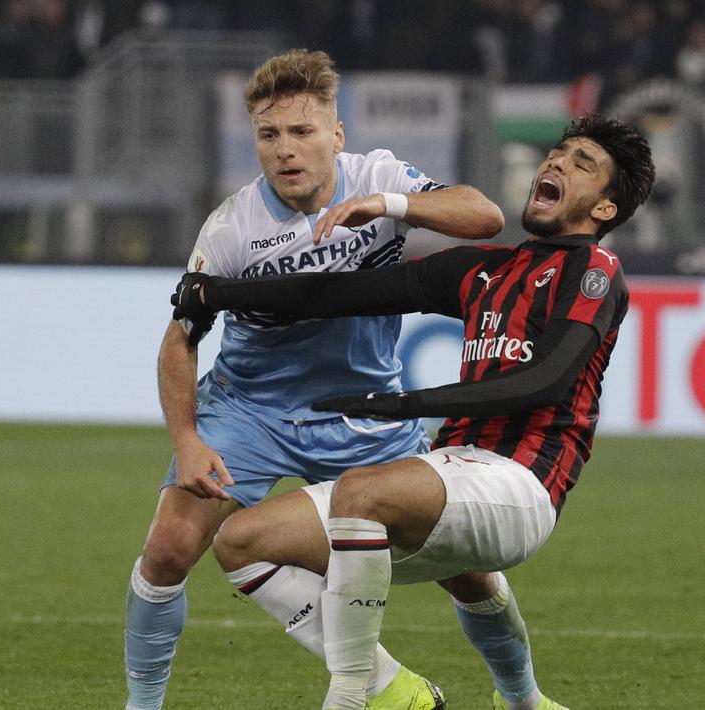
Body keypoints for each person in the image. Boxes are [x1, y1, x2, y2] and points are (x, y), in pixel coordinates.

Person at [171, 113, 654, 710]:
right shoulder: (484, 270)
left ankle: (350, 699)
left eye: (583, 163)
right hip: (457, 470)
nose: (556, 162)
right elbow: (338, 293)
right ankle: (441, 694)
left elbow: (543, 382)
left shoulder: (595, 271)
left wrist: (402, 405)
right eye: (558, 152)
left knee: (363, 491)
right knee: (242, 541)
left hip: (523, 484)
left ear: (605, 209)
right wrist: (217, 292)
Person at [123, 49, 505, 710]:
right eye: (268, 135)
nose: (284, 150)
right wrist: (187, 439)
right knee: (168, 548)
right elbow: (178, 339)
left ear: (336, 135)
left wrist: (389, 204)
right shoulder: (232, 229)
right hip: (252, 410)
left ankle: (520, 696)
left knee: (468, 568)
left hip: (366, 411)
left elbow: (483, 217)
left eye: (301, 132)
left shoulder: (378, 177)